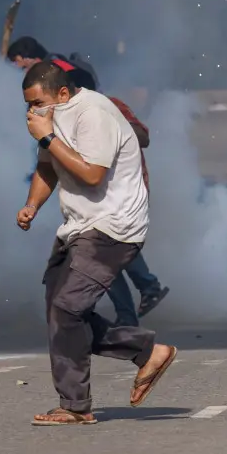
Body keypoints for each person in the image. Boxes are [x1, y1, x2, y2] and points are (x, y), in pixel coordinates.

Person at [17, 60, 177, 426]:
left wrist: (46, 136)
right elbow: (47, 166)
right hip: (80, 225)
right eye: (27, 105)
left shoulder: (94, 114)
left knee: (67, 309)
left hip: (114, 226)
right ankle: (147, 352)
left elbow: (91, 175)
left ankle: (75, 406)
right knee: (61, 315)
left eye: (37, 103)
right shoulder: (53, 119)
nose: (32, 111)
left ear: (62, 93)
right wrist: (31, 206)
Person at [58, 60, 170, 323]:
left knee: (111, 248)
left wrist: (112, 125)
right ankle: (129, 312)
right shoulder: (67, 117)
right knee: (102, 258)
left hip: (123, 192)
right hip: (95, 196)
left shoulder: (110, 107)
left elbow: (143, 137)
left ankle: (145, 290)